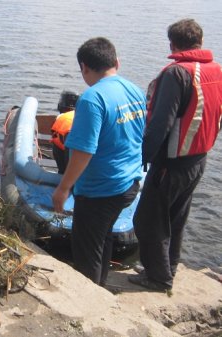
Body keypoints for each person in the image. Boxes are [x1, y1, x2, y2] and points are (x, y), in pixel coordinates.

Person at [128, 19, 222, 292]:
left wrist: (144, 156)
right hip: (198, 159)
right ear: (200, 42)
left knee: (147, 220)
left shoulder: (176, 74)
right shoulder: (215, 70)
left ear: (172, 44)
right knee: (176, 216)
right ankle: (169, 265)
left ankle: (158, 278)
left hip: (172, 162)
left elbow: (161, 123)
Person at [52, 37, 146, 286]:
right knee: (103, 239)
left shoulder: (92, 99)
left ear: (84, 67)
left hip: (99, 191)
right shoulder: (134, 90)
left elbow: (83, 152)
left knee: (86, 254)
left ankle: (91, 302)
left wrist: (63, 189)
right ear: (117, 62)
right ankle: (101, 285)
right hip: (128, 185)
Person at [50, 90, 80, 174]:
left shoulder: (60, 118)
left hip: (71, 148)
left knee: (56, 142)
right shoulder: (81, 114)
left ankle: (62, 174)